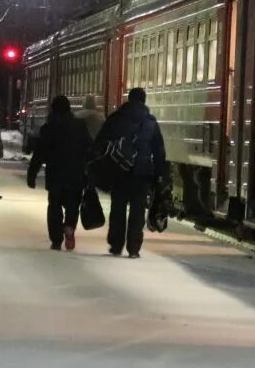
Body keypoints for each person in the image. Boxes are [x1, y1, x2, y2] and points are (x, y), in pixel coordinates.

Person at [93, 87, 166, 258]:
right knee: (138, 211)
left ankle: (116, 244)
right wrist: (159, 174)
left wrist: (99, 167)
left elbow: (101, 142)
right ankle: (134, 248)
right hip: (142, 173)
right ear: (144, 100)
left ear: (128, 99)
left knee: (118, 208)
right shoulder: (150, 122)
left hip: (119, 170)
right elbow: (159, 151)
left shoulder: (116, 118)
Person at [27, 95, 92, 251]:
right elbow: (90, 148)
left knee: (54, 206)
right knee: (72, 205)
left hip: (55, 174)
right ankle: (69, 227)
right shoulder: (80, 126)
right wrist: (90, 170)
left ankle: (56, 239)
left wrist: (32, 174)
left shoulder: (48, 128)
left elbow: (39, 153)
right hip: (75, 174)